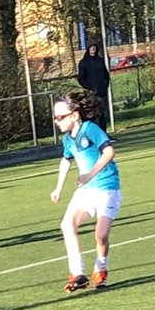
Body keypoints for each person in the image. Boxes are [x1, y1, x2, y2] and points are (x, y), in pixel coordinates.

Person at [48, 91, 121, 293]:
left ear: (74, 115)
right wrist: (58, 187)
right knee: (67, 224)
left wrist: (89, 174)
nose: (57, 121)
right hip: (86, 190)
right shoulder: (68, 140)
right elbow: (66, 160)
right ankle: (78, 273)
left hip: (107, 187)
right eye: (55, 117)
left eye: (60, 117)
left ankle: (101, 267)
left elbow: (109, 152)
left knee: (101, 235)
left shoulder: (90, 129)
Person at [76, 42, 111, 129]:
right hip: (92, 93)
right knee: (92, 114)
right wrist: (89, 88)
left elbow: (106, 74)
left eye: (94, 48)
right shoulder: (83, 62)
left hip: (102, 91)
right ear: (88, 49)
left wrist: (105, 84)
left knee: (102, 114)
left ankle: (104, 134)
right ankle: (93, 134)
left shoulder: (100, 60)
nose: (93, 50)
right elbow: (81, 78)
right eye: (91, 48)